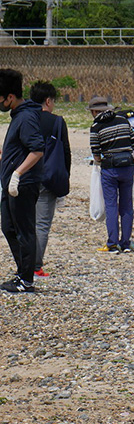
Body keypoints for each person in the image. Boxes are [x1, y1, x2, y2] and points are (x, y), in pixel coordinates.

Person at [0, 69, 44, 293]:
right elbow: (20, 149)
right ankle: (22, 271)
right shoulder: (18, 115)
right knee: (8, 227)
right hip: (10, 184)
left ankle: (26, 279)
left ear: (10, 97)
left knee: (24, 230)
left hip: (22, 185)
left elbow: (37, 150)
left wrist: (17, 175)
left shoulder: (26, 117)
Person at [29, 81, 71, 278]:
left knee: (26, 222)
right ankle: (35, 266)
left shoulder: (26, 119)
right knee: (42, 224)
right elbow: (65, 152)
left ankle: (23, 263)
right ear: (48, 101)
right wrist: (64, 180)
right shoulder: (57, 121)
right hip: (48, 177)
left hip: (25, 175)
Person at [88, 96, 134, 253]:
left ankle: (112, 243)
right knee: (127, 205)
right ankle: (126, 243)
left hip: (110, 168)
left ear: (96, 111)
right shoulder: (123, 120)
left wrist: (100, 159)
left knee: (111, 205)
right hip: (127, 166)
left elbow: (96, 153)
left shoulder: (96, 126)